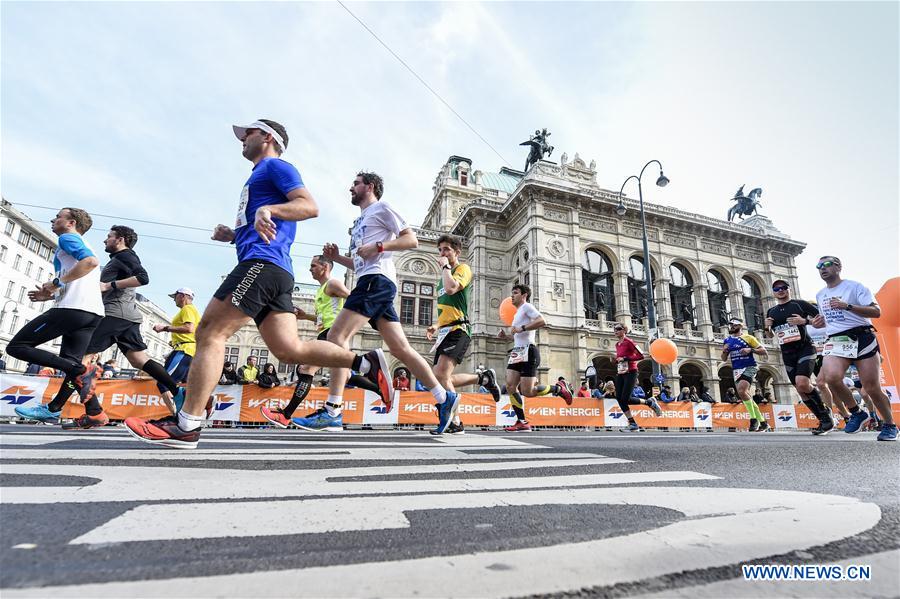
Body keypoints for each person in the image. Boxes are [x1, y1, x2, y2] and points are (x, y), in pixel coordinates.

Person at [124, 119, 390, 449]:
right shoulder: (258, 175)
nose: (241, 140)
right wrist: (234, 235)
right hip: (274, 268)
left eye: (246, 134)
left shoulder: (276, 166)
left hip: (262, 264)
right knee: (288, 350)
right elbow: (269, 221)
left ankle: (187, 425)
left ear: (267, 137)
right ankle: (365, 363)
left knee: (209, 332)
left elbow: (309, 206)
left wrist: (268, 209)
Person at [320, 171, 458, 435]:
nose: (351, 187)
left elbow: (411, 239)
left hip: (376, 281)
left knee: (336, 336)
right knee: (401, 349)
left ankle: (333, 410)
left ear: (370, 187)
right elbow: (361, 261)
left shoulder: (381, 207)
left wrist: (379, 247)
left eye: (356, 183)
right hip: (370, 279)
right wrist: (338, 258)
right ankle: (443, 397)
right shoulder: (361, 219)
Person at [75, 225, 185, 425]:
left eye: (109, 236)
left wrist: (108, 286)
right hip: (128, 317)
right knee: (139, 360)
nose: (105, 240)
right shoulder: (120, 259)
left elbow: (143, 278)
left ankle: (64, 409)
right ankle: (179, 392)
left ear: (121, 239)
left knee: (81, 360)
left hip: (115, 315)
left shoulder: (125, 256)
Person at [262, 254, 380, 430]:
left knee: (306, 369)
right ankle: (381, 388)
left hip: (333, 334)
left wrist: (352, 324)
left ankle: (286, 415)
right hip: (325, 333)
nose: (310, 269)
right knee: (344, 375)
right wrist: (305, 316)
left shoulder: (333, 284)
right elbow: (322, 318)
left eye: (313, 266)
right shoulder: (321, 289)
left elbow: (353, 299)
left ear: (325, 267)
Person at [10, 207, 104, 425]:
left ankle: (82, 370)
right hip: (91, 313)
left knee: (16, 347)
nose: (53, 219)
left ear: (71, 223)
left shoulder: (68, 238)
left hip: (72, 310)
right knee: (71, 365)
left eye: (58, 217)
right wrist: (51, 295)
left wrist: (55, 284)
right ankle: (92, 412)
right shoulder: (84, 244)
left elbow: (90, 262)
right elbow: (82, 278)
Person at [811, 256, 896, 441]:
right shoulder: (820, 294)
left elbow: (876, 311)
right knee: (831, 378)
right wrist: (818, 323)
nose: (822, 269)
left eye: (826, 265)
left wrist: (847, 306)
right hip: (837, 339)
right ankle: (856, 412)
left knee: (871, 387)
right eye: (819, 266)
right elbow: (831, 320)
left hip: (862, 336)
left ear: (838, 266)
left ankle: (890, 425)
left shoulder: (855, 287)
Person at [426, 234, 501, 435]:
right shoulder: (443, 278)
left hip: (459, 330)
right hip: (445, 330)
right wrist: (436, 325)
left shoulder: (462, 269)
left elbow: (452, 290)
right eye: (440, 250)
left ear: (457, 252)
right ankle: (480, 382)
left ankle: (454, 419)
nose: (442, 253)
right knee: (440, 377)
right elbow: (448, 308)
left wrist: (444, 267)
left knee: (440, 374)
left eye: (447, 249)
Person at [498, 284, 573, 432]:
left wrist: (523, 328)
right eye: (512, 293)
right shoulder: (517, 313)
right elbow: (517, 336)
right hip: (517, 352)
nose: (511, 296)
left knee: (528, 391)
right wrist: (505, 336)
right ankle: (522, 421)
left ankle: (558, 389)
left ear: (524, 295)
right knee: (510, 386)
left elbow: (542, 320)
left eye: (515, 293)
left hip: (529, 351)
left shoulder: (527, 307)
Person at [764, 279, 833, 434]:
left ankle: (825, 414)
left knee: (802, 383)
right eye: (776, 289)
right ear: (773, 292)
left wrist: (804, 321)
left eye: (783, 287)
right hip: (787, 353)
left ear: (789, 289)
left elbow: (824, 320)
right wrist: (767, 326)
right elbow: (769, 335)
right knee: (800, 389)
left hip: (805, 348)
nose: (780, 290)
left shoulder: (799, 304)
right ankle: (823, 419)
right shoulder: (771, 311)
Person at [151, 287, 201, 410]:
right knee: (176, 383)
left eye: (175, 297)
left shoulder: (187, 309)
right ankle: (188, 409)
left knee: (163, 382)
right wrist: (174, 341)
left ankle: (176, 414)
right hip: (185, 349)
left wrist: (164, 328)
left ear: (183, 296)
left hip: (184, 350)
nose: (174, 300)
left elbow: (189, 328)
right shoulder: (191, 310)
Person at [610, 323, 662, 432]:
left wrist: (625, 358)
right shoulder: (617, 345)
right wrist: (615, 360)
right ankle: (633, 424)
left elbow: (641, 355)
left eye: (618, 329)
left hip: (631, 371)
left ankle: (649, 402)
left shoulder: (629, 342)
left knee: (626, 399)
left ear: (624, 330)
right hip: (621, 372)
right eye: (614, 329)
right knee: (619, 398)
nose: (616, 331)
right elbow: (620, 359)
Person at [721, 318, 769, 432]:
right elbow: (723, 359)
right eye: (730, 325)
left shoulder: (749, 337)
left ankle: (753, 420)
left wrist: (750, 350)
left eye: (734, 325)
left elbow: (763, 351)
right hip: (736, 369)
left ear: (740, 326)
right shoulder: (727, 340)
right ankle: (763, 422)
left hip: (749, 366)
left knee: (742, 391)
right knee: (744, 395)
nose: (731, 327)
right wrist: (724, 351)